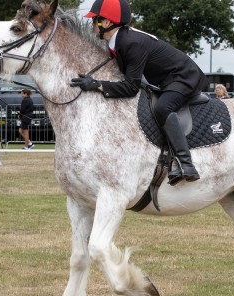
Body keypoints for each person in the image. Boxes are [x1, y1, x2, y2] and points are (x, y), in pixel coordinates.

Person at [70, 0, 208, 185]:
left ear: (108, 23)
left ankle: (186, 164)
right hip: (167, 79)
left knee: (162, 108)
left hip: (183, 77)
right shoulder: (117, 41)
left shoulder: (130, 42)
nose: (92, 23)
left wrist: (96, 85)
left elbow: (130, 87)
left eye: (95, 19)